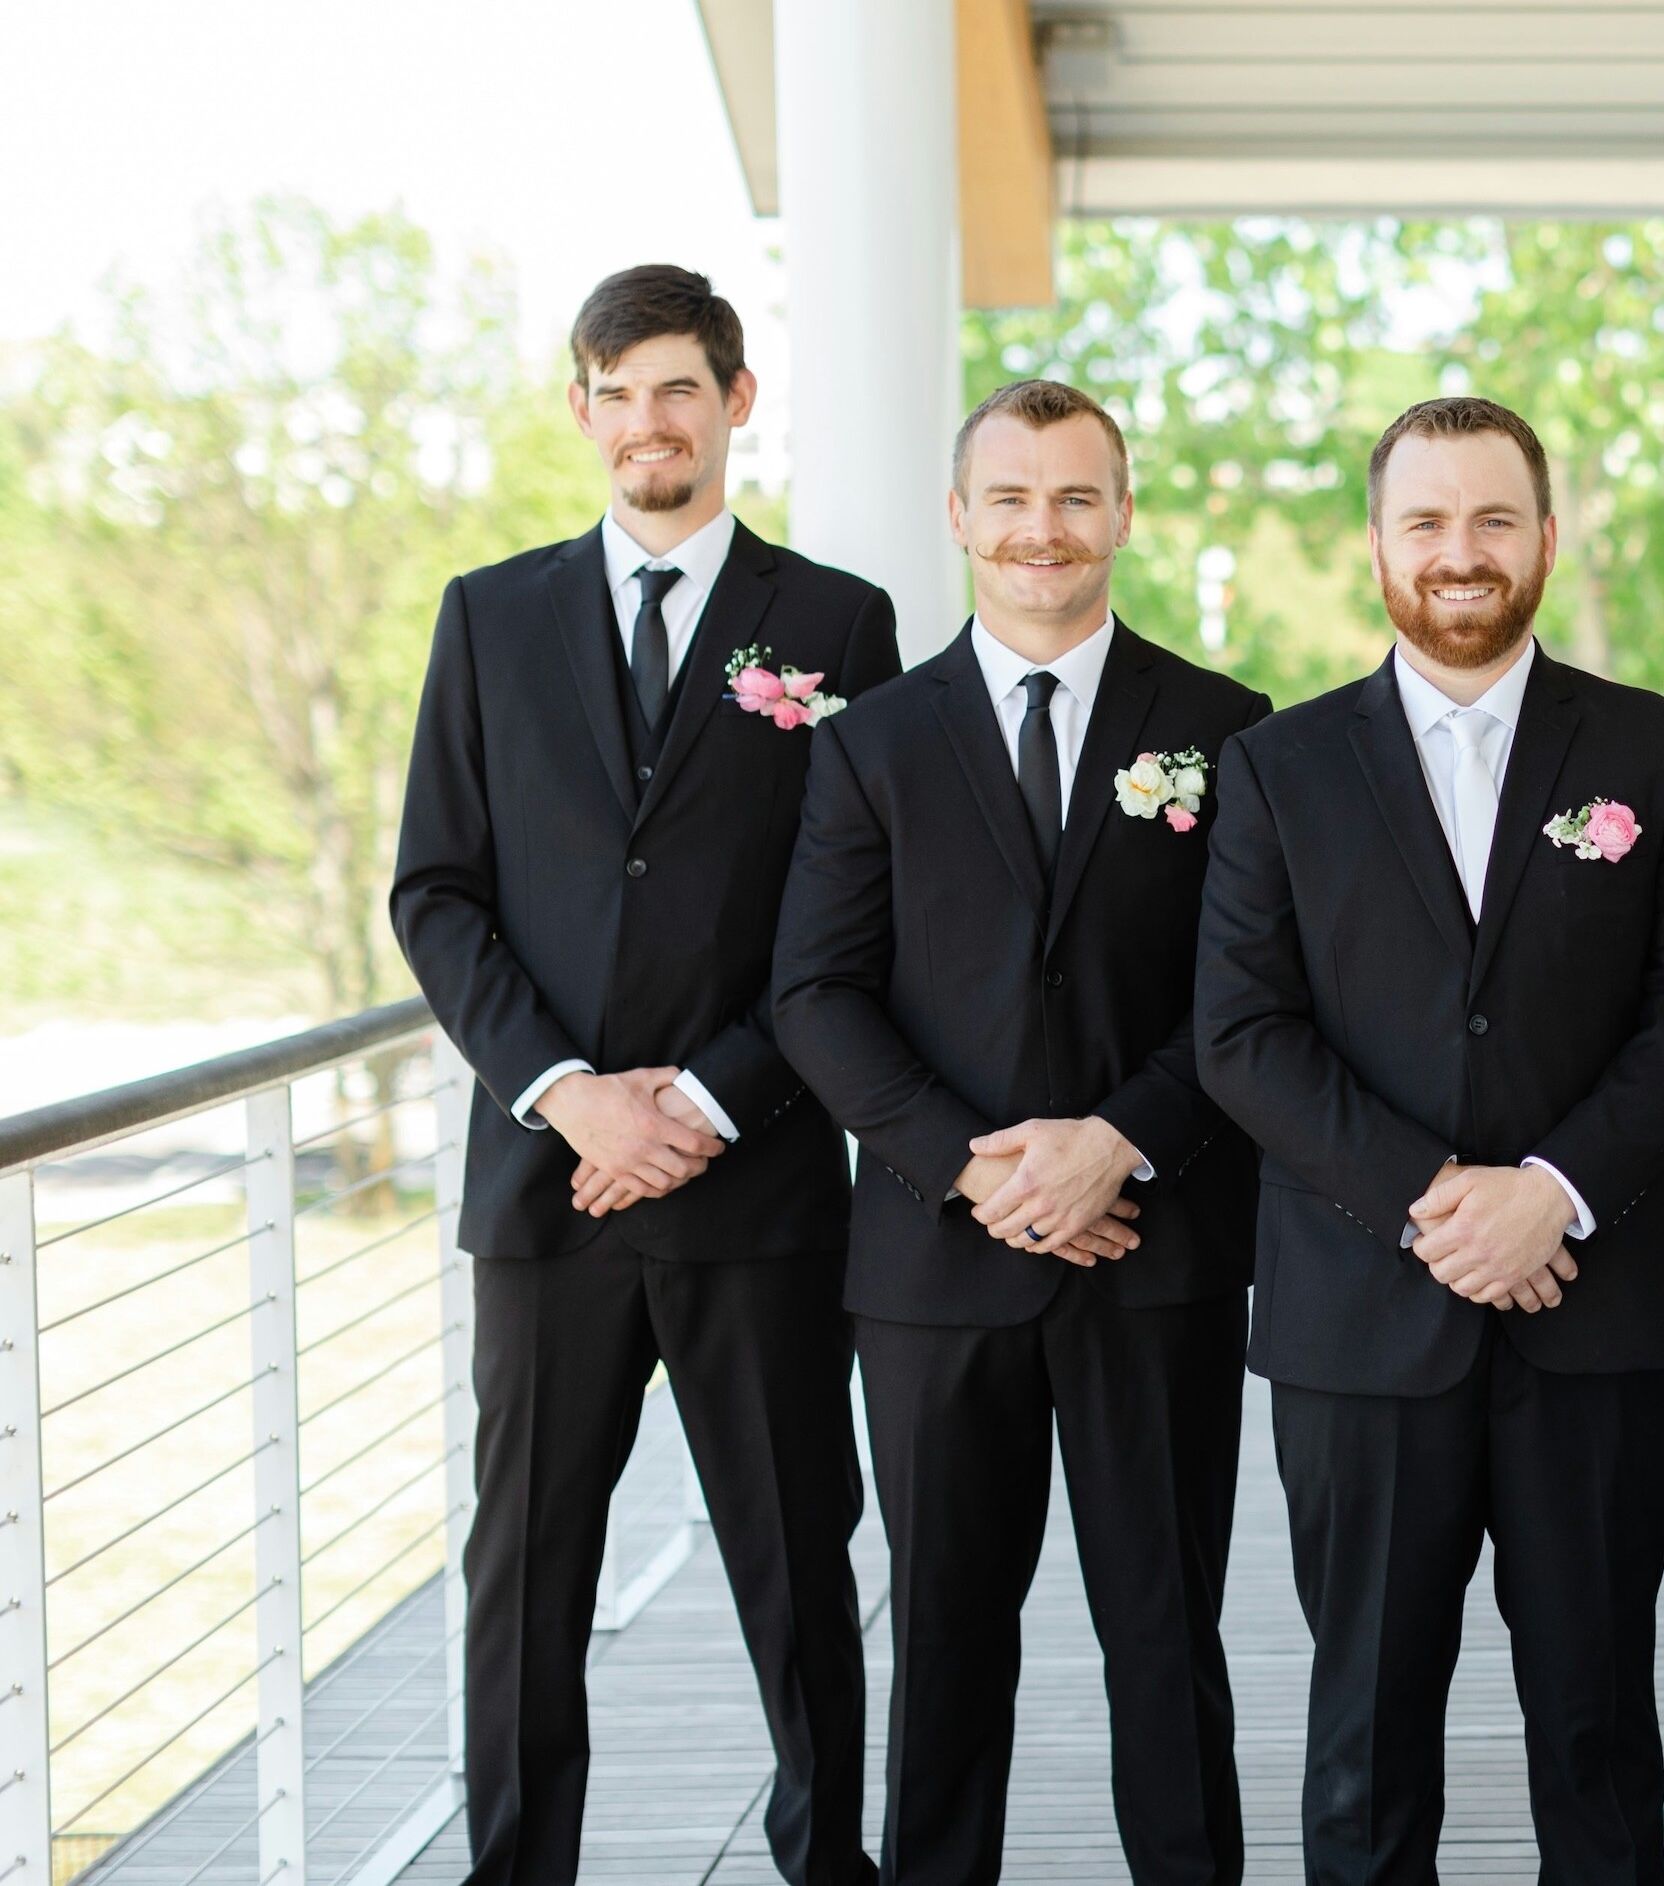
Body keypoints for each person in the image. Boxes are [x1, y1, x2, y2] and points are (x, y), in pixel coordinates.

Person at [1193, 396, 1664, 1886]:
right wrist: (1442, 1203)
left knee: (1596, 1727)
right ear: (1377, 545)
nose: (1462, 553)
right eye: (1427, 522)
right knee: (1367, 1739)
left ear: (1547, 538)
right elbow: (1242, 1035)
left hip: (1603, 1314)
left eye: (1494, 519)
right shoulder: (1277, 767)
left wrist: (1554, 1195)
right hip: (1362, 1323)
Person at [391, 265, 895, 1886]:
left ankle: (828, 1867)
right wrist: (568, 1091)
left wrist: (700, 1104)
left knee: (799, 1574)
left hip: (753, 1190)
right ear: (582, 410)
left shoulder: (835, 625)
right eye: (616, 391)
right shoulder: (490, 615)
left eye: (678, 388)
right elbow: (437, 892)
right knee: (524, 1584)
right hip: (547, 1196)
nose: (647, 423)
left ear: (736, 403)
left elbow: (855, 911)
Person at [770, 379, 1268, 1886]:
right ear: (959, 517)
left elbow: (1248, 995)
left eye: (1072, 497)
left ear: (1121, 513)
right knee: (945, 1644)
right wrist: (977, 1168)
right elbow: (816, 992)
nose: (1040, 530)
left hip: (1155, 1249)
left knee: (1168, 1639)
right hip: (935, 1266)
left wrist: (1119, 1140)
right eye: (1009, 497)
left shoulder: (1229, 731)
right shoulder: (873, 744)